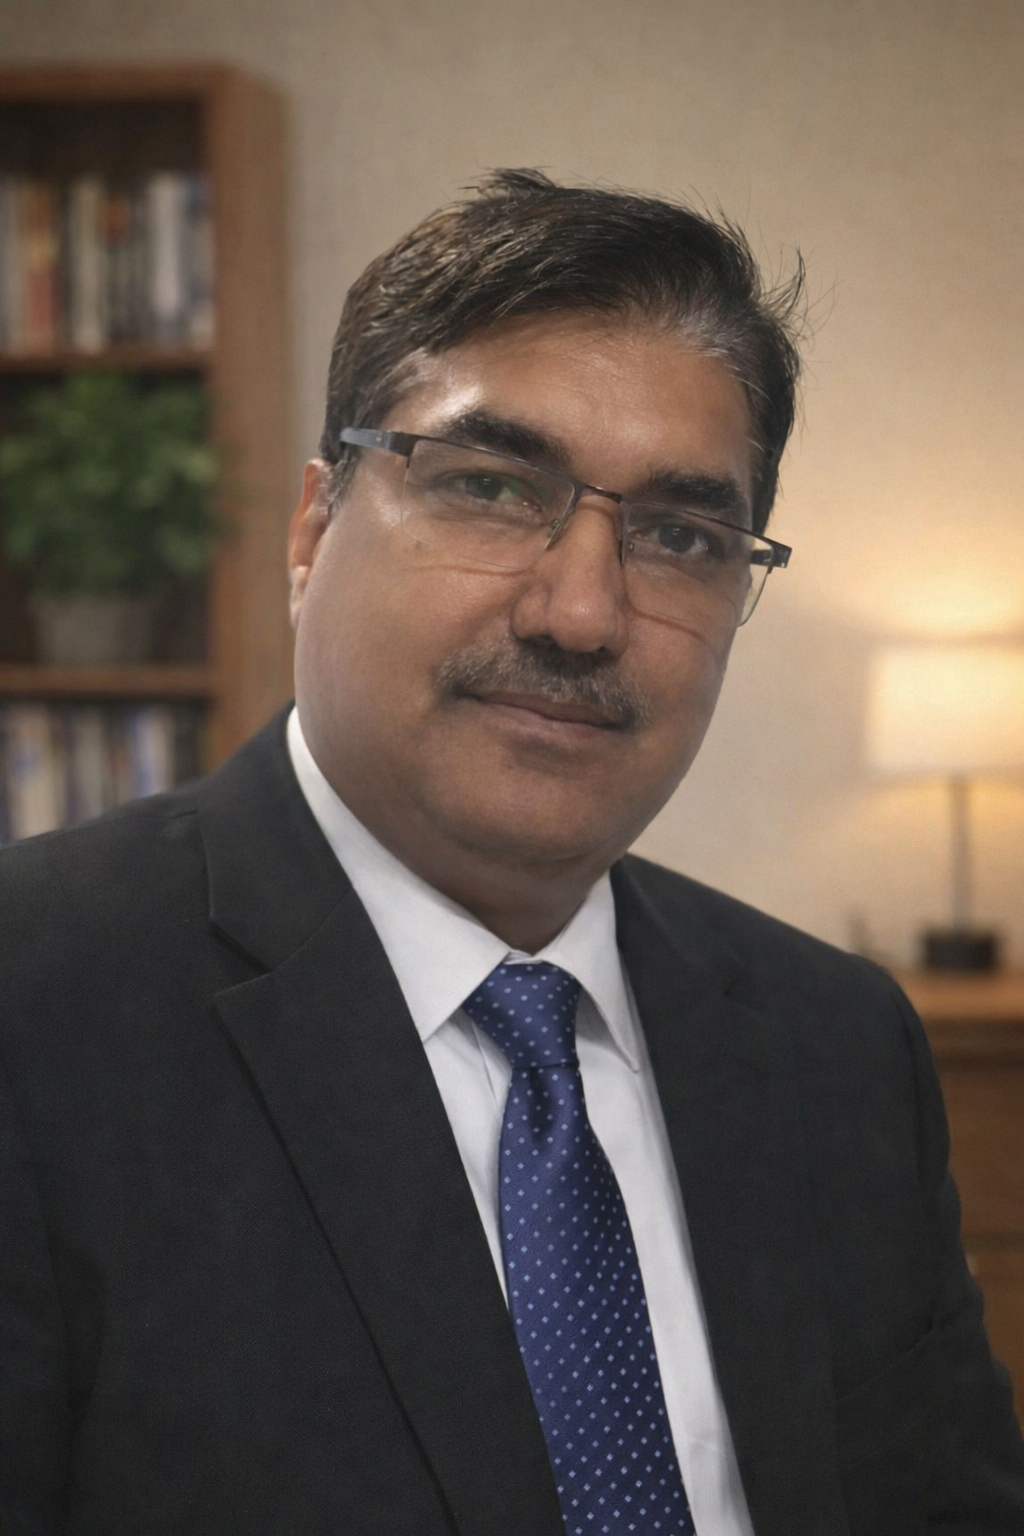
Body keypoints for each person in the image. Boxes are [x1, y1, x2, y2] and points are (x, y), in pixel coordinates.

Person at [1, 169, 1022, 1536]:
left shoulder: (838, 1043)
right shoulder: (36, 1008)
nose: (582, 613)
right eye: (489, 486)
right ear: (314, 531)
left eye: (679, 535)